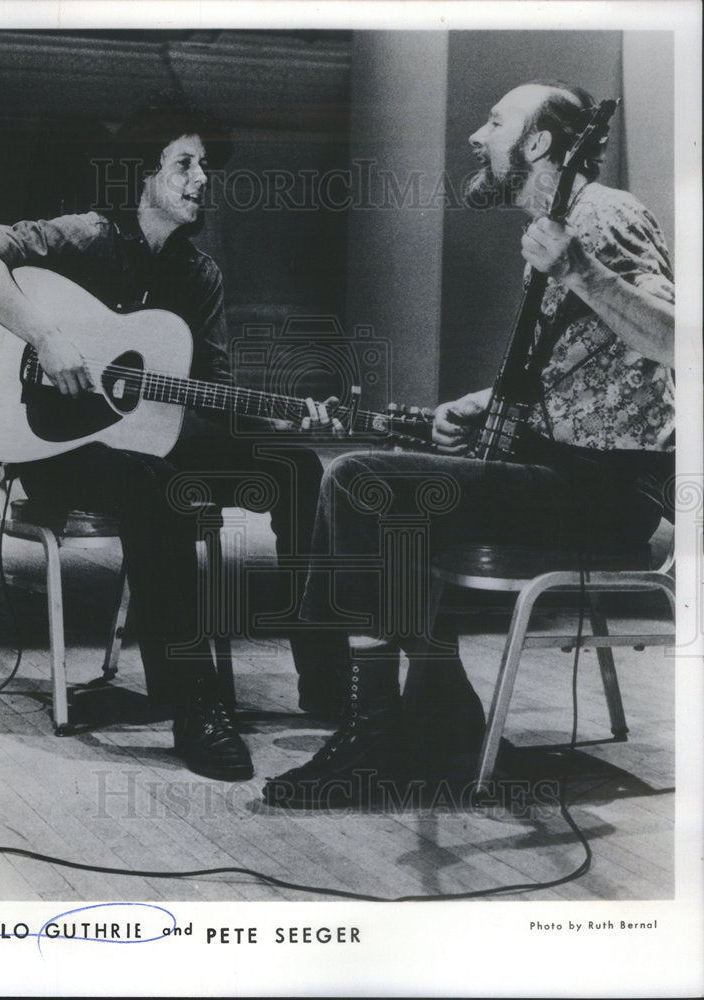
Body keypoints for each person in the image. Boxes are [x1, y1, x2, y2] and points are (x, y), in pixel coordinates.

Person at [262, 80, 675, 808]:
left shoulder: (602, 216)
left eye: (494, 122)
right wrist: (483, 406)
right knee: (393, 496)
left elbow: (676, 341)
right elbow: (581, 367)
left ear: (539, 143)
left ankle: (372, 732)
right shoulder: (560, 224)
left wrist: (577, 267)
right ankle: (435, 716)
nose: (475, 138)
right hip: (562, 472)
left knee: (359, 480)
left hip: (606, 494)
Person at [0, 102, 351, 783]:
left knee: (294, 468)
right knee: (153, 483)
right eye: (184, 164)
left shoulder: (199, 276)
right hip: (52, 447)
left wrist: (283, 418)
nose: (201, 180)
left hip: (147, 444)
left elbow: (214, 398)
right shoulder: (84, 236)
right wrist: (46, 338)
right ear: (145, 174)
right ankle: (194, 705)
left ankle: (327, 681)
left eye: (206, 169)